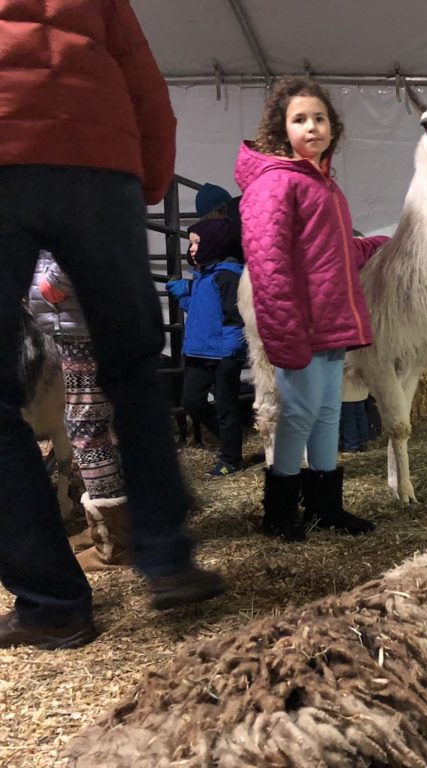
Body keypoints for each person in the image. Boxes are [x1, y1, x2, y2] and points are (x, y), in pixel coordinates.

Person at [0, 0, 226, 650]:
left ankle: (52, 602)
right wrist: (148, 181)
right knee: (133, 366)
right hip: (99, 167)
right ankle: (169, 558)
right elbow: (143, 80)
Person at [236, 77, 388, 541]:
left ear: (332, 127)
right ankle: (279, 514)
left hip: (330, 322)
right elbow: (269, 264)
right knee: (299, 413)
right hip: (301, 326)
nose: (312, 127)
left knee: (325, 412)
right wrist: (285, 335)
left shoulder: (323, 185)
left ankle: (324, 508)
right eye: (299, 119)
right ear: (282, 130)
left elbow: (332, 255)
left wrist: (376, 246)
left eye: (319, 118)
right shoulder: (276, 183)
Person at [28, 252, 133, 572]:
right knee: (99, 426)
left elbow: (77, 246)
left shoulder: (67, 202)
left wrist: (46, 289)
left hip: (80, 328)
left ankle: (115, 544)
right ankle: (109, 529)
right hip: (80, 324)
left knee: (88, 429)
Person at [167, 217, 247, 477]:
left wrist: (231, 351)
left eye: (196, 243)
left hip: (223, 353)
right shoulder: (202, 276)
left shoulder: (227, 276)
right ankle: (230, 438)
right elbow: (204, 311)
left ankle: (230, 458)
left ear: (213, 244)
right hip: (198, 352)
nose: (191, 249)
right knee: (191, 401)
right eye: (190, 244)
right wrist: (185, 298)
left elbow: (234, 317)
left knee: (226, 405)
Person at [340, 363, 370, 453]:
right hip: (359, 389)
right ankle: (363, 442)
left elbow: (345, 363)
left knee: (349, 419)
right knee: (360, 415)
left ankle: (351, 445)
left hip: (348, 389)